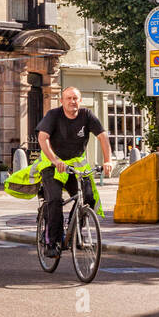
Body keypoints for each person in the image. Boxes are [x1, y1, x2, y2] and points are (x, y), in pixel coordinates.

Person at [36, 87, 113, 259]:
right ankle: (52, 242)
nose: (72, 101)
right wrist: (55, 160)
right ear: (62, 101)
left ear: (80, 100)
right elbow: (43, 137)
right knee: (55, 199)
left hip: (75, 165)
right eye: (68, 98)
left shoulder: (87, 115)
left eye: (75, 98)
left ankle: (75, 233)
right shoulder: (53, 115)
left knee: (88, 198)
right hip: (52, 164)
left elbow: (102, 136)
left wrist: (107, 160)